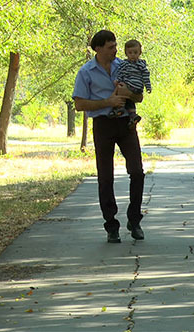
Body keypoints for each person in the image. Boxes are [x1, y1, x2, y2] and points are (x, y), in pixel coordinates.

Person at [72, 30, 145, 243]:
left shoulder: (125, 66)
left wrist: (128, 94)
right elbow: (79, 104)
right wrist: (107, 102)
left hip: (126, 123)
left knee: (137, 172)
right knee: (105, 177)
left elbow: (139, 96)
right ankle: (111, 225)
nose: (115, 50)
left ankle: (135, 220)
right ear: (98, 48)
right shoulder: (86, 72)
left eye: (115, 46)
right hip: (103, 124)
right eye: (111, 47)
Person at [109, 39, 152, 129]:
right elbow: (121, 73)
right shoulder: (124, 64)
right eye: (130, 53)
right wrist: (118, 80)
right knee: (127, 97)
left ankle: (118, 109)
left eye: (135, 52)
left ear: (140, 53)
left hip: (135, 85)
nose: (133, 55)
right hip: (128, 84)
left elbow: (146, 75)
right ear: (126, 53)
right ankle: (132, 114)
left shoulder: (141, 65)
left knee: (120, 91)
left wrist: (148, 86)